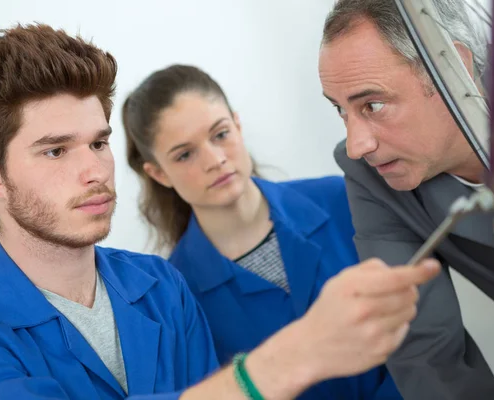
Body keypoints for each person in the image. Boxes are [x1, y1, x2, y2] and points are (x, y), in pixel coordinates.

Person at [0, 22, 441, 400]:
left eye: (98, 144)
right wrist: (286, 360)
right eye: (56, 150)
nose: (94, 172)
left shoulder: (161, 288)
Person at [122, 63, 403, 400]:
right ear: (159, 174)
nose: (215, 159)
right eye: (185, 155)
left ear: (237, 126)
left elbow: (422, 330)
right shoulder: (177, 297)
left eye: (220, 134)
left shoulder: (343, 199)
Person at [318, 0, 494, 399]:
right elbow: (425, 352)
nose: (358, 145)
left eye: (372, 105)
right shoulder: (369, 175)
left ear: (453, 69)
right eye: (341, 110)